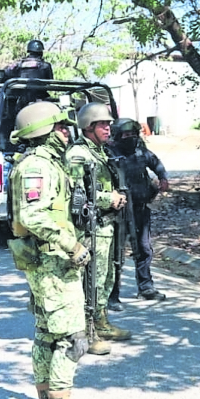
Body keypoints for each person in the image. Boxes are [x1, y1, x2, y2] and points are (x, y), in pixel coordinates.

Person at [7, 101, 100, 399]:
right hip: (53, 264)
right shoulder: (37, 167)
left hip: (49, 263)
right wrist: (71, 245)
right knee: (72, 339)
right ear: (44, 131)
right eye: (60, 126)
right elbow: (32, 216)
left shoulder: (44, 164)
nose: (66, 131)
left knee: (47, 336)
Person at [66, 102, 132, 355]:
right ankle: (87, 332)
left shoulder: (101, 152)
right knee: (90, 281)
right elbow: (75, 192)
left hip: (107, 226)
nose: (108, 128)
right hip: (91, 229)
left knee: (106, 277)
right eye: (103, 124)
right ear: (89, 126)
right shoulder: (78, 155)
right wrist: (108, 199)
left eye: (108, 123)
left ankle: (101, 322)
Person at [108, 118, 170, 302]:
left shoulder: (141, 152)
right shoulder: (109, 154)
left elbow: (156, 163)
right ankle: (112, 293)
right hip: (118, 213)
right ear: (118, 136)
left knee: (143, 249)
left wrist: (163, 177)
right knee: (116, 253)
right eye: (127, 135)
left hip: (141, 208)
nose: (131, 138)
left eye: (134, 134)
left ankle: (146, 287)